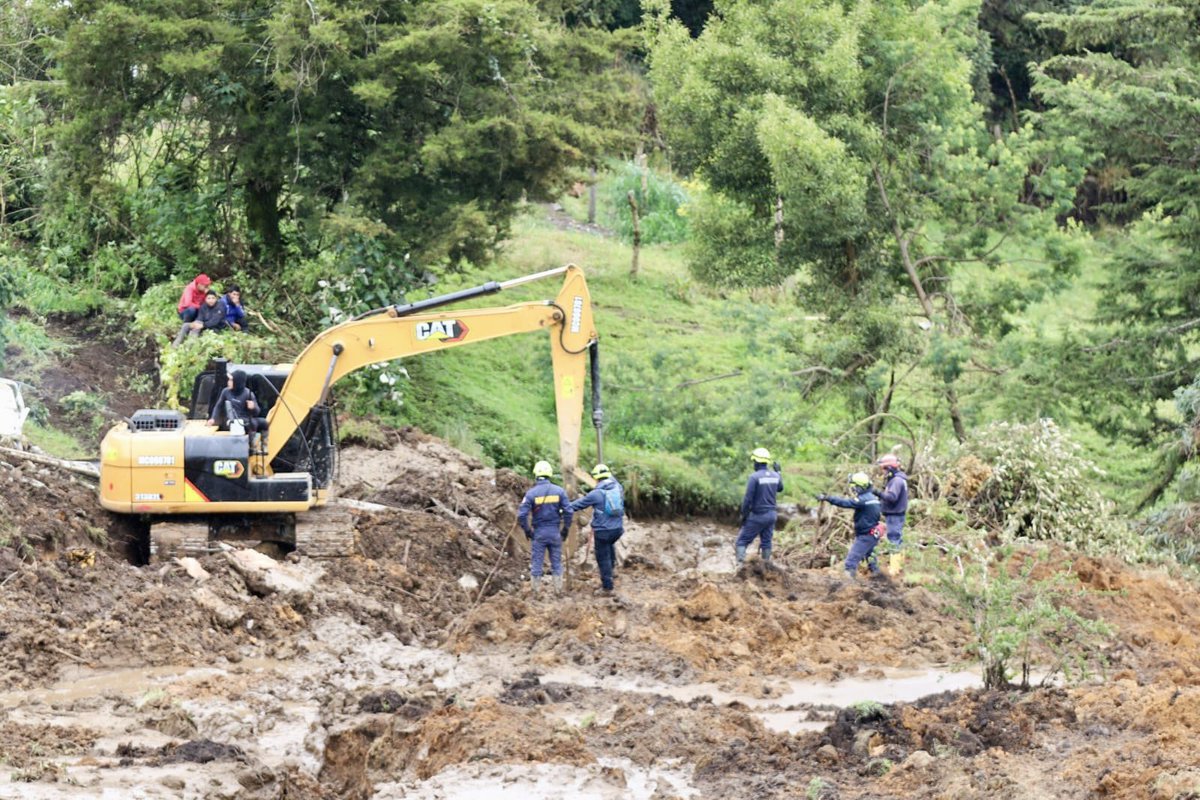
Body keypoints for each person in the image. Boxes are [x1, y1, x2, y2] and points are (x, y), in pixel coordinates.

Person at [517, 460, 574, 597]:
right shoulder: (559, 491)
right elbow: (569, 511)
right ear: (550, 474)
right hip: (555, 533)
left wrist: (528, 531)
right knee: (556, 562)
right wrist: (566, 528)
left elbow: (522, 515)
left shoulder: (531, 494)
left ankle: (536, 593)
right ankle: (558, 592)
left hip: (539, 533)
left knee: (537, 563)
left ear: (536, 475)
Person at [569, 463, 625, 596]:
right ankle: (612, 572)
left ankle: (607, 588)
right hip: (617, 529)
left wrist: (561, 508)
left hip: (603, 532)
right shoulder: (618, 488)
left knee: (602, 557)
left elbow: (577, 505)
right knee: (610, 547)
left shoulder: (596, 494)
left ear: (596, 478)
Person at [818, 472, 883, 580]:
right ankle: (880, 581)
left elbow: (845, 503)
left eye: (853, 487)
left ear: (858, 487)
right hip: (872, 534)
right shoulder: (872, 498)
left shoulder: (863, 500)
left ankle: (849, 587)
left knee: (851, 562)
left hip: (865, 535)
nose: (852, 489)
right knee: (871, 560)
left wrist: (827, 498)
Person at [734, 447, 783, 569]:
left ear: (756, 462)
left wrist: (744, 516)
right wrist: (779, 472)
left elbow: (747, 499)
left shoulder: (754, 477)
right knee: (766, 542)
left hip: (758, 515)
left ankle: (740, 568)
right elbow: (780, 488)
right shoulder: (775, 476)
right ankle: (765, 567)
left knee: (741, 542)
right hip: (771, 515)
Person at [206, 370, 269, 451]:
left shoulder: (247, 393)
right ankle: (251, 447)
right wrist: (213, 418)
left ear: (237, 382)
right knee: (252, 423)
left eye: (231, 380)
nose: (228, 382)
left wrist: (253, 407)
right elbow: (218, 406)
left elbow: (257, 412)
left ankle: (264, 446)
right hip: (232, 420)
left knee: (264, 422)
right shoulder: (226, 392)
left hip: (246, 419)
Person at [876, 453, 909, 575]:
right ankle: (899, 566)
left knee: (894, 539)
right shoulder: (899, 479)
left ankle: (894, 569)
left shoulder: (896, 481)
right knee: (898, 539)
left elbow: (892, 497)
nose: (883, 472)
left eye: (884, 468)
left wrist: (877, 493)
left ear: (890, 468)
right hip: (896, 514)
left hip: (895, 515)